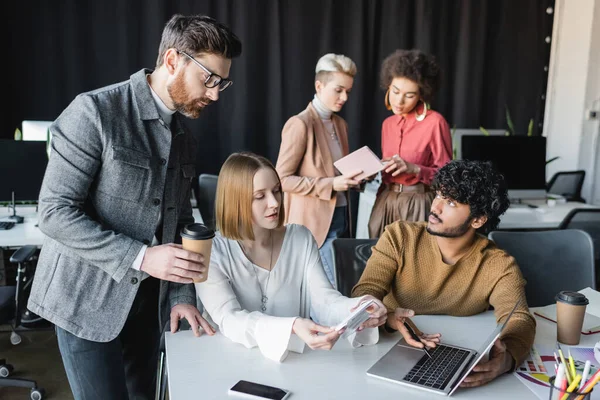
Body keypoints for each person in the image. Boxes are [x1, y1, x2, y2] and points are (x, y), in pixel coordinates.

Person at [27, 14, 241, 400]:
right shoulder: (93, 112)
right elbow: (55, 212)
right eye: (209, 79)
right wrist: (142, 257)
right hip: (83, 303)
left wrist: (181, 297)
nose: (214, 94)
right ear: (173, 60)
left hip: (146, 308)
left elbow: (181, 222)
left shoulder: (184, 139)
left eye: (222, 83)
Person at [353, 160, 536, 388]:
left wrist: (507, 360)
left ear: (478, 220)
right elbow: (365, 292)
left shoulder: (498, 264)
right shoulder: (400, 235)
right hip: (386, 348)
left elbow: (519, 318)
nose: (435, 207)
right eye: (438, 195)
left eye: (450, 202)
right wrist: (389, 318)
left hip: (458, 354)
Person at [195, 152, 388, 362]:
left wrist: (358, 308)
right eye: (260, 196)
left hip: (293, 364)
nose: (274, 203)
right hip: (227, 364)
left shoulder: (299, 237)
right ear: (235, 201)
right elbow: (229, 319)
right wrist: (292, 326)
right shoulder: (212, 251)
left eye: (276, 191)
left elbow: (324, 300)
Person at [276, 53, 363, 287]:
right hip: (313, 224)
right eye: (338, 90)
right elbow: (281, 180)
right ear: (319, 85)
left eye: (348, 91)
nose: (344, 97)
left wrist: (358, 178)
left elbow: (339, 173)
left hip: (343, 219)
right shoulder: (300, 123)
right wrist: (332, 184)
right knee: (329, 292)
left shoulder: (340, 124)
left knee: (341, 288)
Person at [368, 49, 453, 238]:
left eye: (409, 95)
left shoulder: (435, 122)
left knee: (413, 262)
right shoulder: (388, 125)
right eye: (395, 91)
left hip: (418, 203)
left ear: (421, 95)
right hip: (386, 201)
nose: (399, 100)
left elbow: (448, 177)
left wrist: (415, 169)